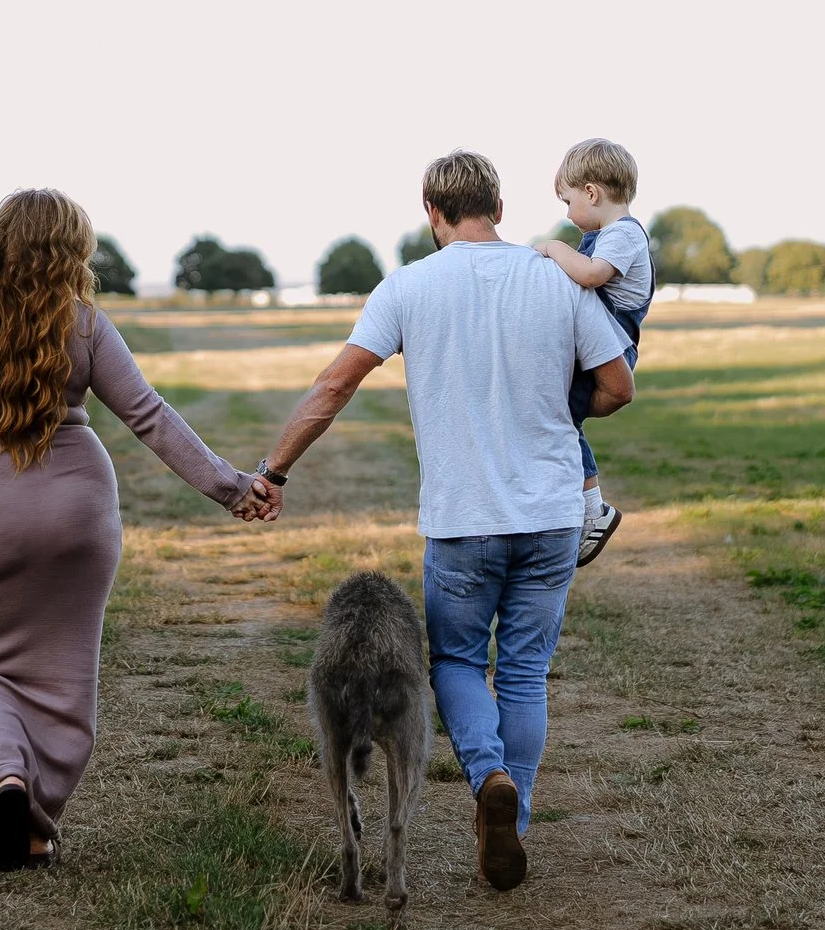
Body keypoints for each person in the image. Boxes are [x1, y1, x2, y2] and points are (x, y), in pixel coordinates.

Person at [249, 152, 632, 891]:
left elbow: (334, 386)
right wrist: (557, 411)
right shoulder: (553, 277)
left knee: (457, 662)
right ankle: (509, 819)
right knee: (523, 670)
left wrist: (273, 471)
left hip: (464, 521)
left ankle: (487, 774)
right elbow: (618, 386)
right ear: (497, 205)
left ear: (433, 211)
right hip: (551, 513)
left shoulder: (409, 286)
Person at [0, 191, 277, 873]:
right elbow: (150, 415)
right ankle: (33, 818)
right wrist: (232, 486)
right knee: (62, 676)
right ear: (70, 252)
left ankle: (5, 783)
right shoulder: (84, 324)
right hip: (72, 516)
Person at [529, 138, 653, 566]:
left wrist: (553, 248)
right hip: (595, 346)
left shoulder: (623, 235)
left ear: (592, 193)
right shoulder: (609, 234)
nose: (567, 213)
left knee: (562, 415)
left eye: (567, 201)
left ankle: (592, 510)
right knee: (559, 411)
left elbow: (592, 275)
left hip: (612, 349)